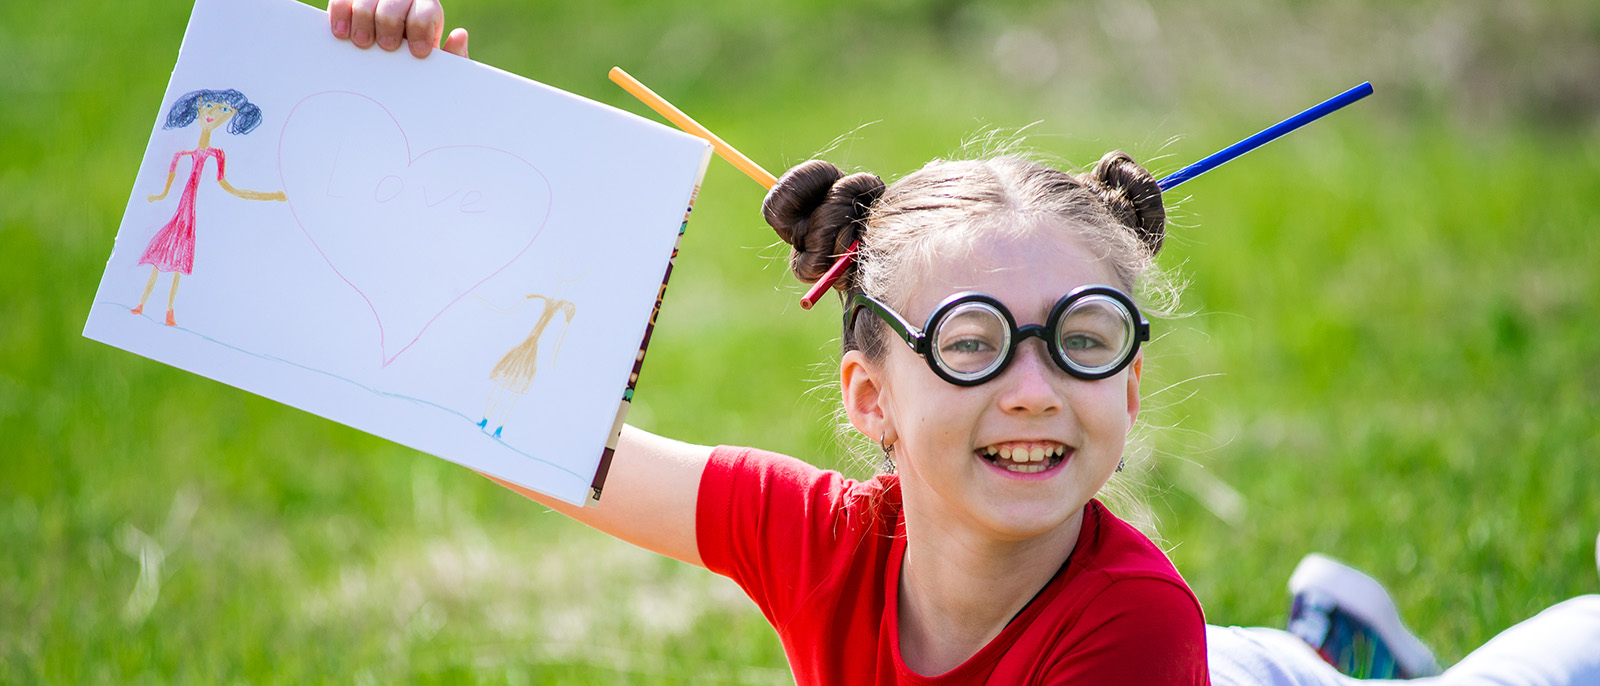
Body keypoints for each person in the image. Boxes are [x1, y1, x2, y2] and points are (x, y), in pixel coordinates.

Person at [327, 4, 1600, 684]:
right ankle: (1335, 632)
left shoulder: (1131, 621)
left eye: (1082, 336)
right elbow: (537, 442)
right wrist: (416, 120)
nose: (1035, 388)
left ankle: (1335, 650)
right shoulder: (826, 542)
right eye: (975, 340)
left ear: (1132, 375)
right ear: (868, 396)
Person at [132, 88, 287, 327]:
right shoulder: (182, 154)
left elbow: (228, 186)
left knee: (178, 267)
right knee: (159, 261)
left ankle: (169, 312)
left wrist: (268, 196)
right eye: (209, 107)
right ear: (199, 106)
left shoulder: (217, 155)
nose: (214, 113)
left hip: (190, 219)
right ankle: (141, 304)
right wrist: (158, 197)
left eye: (224, 110)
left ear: (232, 116)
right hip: (178, 215)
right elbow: (167, 188)